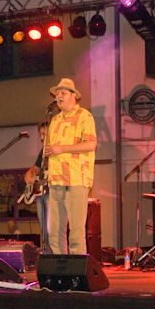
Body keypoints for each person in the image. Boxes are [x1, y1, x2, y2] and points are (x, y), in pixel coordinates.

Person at [44, 78, 97, 255]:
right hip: (56, 181)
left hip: (76, 179)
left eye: (63, 93)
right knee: (54, 232)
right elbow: (51, 150)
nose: (58, 96)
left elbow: (91, 144)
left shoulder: (84, 116)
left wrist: (61, 149)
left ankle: (77, 269)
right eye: (57, 93)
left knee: (76, 233)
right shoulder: (54, 120)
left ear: (73, 96)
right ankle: (61, 267)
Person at [24, 121, 51, 254]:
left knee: (52, 229)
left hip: (53, 193)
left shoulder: (58, 150)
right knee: (44, 228)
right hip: (41, 193)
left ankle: (53, 255)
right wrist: (29, 174)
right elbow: (36, 168)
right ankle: (47, 252)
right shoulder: (43, 151)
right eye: (40, 134)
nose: (41, 138)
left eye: (44, 134)